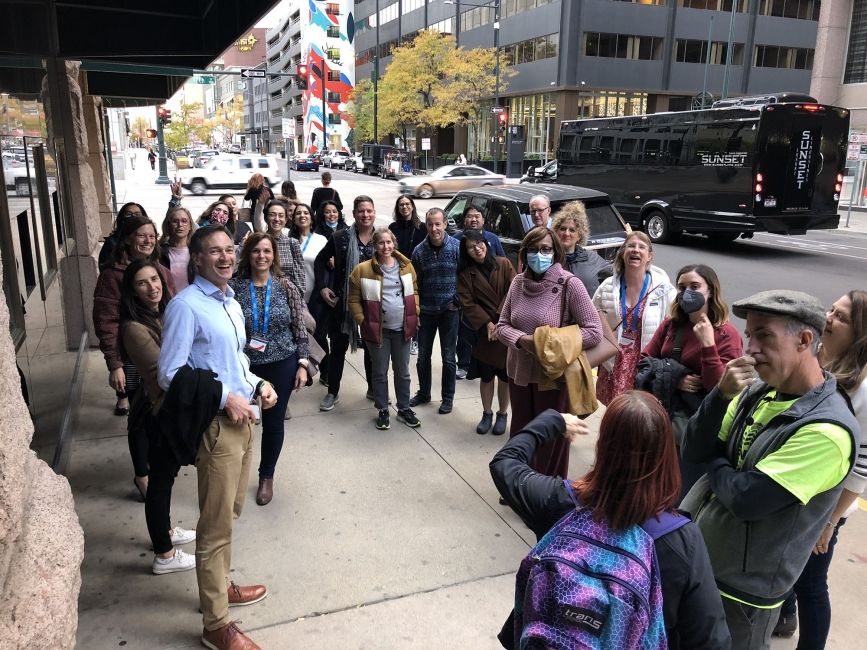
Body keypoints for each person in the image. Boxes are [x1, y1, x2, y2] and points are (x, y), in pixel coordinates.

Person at [680, 290, 858, 650]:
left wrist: (717, 458)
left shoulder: (828, 430)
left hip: (741, 594)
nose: (751, 349)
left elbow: (747, 499)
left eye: (764, 335)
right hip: (696, 562)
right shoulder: (756, 391)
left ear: (805, 340)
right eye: (750, 335)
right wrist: (719, 396)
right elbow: (693, 447)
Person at [490, 393, 730, 649]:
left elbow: (505, 463)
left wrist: (553, 421)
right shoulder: (683, 541)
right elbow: (711, 640)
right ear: (665, 456)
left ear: (602, 446)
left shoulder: (560, 502)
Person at [158, 225, 278, 650]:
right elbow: (169, 372)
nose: (226, 257)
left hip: (244, 419)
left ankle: (220, 586)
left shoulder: (230, 301)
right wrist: (227, 398)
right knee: (214, 526)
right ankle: (215, 625)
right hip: (217, 426)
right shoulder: (186, 306)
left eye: (230, 250)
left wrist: (257, 382)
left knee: (229, 515)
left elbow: (235, 358)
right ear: (197, 257)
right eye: (215, 251)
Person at [774, 290, 867, 646]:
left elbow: (860, 469)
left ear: (860, 331)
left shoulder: (863, 388)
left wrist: (829, 523)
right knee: (787, 568)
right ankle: (785, 615)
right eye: (831, 309)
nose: (828, 317)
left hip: (823, 506)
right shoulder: (817, 358)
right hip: (796, 484)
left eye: (841, 317)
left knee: (811, 582)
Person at [496, 226, 602, 478]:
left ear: (555, 252)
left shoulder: (569, 284)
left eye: (545, 249)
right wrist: (523, 340)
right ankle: (517, 479)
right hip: (520, 371)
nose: (539, 254)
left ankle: (546, 487)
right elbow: (502, 326)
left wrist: (551, 343)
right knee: (522, 430)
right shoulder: (518, 282)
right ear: (524, 253)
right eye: (533, 249)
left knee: (552, 435)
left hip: (552, 376)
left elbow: (594, 331)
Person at [119, 259, 196, 575]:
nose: (152, 287)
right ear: (132, 292)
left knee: (166, 480)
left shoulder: (164, 313)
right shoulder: (134, 328)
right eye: (142, 283)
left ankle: (163, 533)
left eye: (154, 279)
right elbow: (160, 372)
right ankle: (164, 555)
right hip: (158, 412)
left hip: (168, 409)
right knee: (159, 483)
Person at [638, 264, 743, 494]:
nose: (687, 293)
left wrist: (707, 344)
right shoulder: (671, 325)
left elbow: (720, 389)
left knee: (678, 490)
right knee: (650, 486)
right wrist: (675, 377)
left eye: (695, 287)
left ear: (711, 291)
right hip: (661, 419)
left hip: (693, 428)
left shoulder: (727, 335)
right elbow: (644, 361)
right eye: (682, 287)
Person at [93, 216, 176, 496]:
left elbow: (173, 306)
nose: (148, 241)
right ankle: (142, 474)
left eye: (152, 236)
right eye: (141, 235)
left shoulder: (160, 269)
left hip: (162, 348)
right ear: (128, 238)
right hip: (130, 355)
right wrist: (114, 364)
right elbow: (106, 321)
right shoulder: (112, 274)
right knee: (140, 414)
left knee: (159, 410)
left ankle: (158, 461)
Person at [229, 233, 310, 507]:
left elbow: (300, 328)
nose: (261, 256)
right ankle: (233, 475)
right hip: (245, 367)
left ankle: (266, 477)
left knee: (273, 424)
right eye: (256, 251)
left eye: (266, 251)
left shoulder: (286, 287)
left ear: (273, 255)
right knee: (240, 422)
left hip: (282, 364)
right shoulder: (233, 288)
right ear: (247, 255)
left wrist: (303, 363)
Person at [348, 228, 421, 430]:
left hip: (402, 329)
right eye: (381, 243)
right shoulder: (362, 270)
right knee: (379, 372)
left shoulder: (406, 266)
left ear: (394, 243)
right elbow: (353, 299)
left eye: (389, 242)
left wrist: (415, 311)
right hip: (377, 331)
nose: (386, 246)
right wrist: (363, 320)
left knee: (403, 372)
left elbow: (414, 291)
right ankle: (382, 409)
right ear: (374, 245)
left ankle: (404, 408)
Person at [592, 231, 675, 405]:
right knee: (613, 410)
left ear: (649, 256)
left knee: (638, 413)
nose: (635, 250)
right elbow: (591, 319)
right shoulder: (607, 287)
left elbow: (674, 327)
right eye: (630, 246)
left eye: (641, 247)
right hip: (613, 362)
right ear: (623, 253)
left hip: (644, 363)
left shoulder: (664, 291)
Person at [314, 195, 376, 411]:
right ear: (354, 214)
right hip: (344, 302)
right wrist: (322, 286)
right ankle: (333, 392)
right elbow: (321, 260)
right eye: (361, 211)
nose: (365, 215)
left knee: (371, 348)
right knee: (338, 348)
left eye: (369, 210)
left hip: (372, 304)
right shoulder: (340, 237)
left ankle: (373, 389)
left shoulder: (383, 238)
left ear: (374, 213)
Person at [457, 230, 515, 435]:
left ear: (486, 243)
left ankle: (502, 414)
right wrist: (488, 324)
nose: (477, 248)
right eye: (471, 247)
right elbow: (467, 302)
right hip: (484, 332)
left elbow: (513, 291)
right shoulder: (465, 274)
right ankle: (487, 413)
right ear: (467, 252)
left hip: (506, 328)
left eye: (479, 243)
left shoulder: (504, 264)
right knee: (487, 375)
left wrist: (500, 322)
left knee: (505, 377)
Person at [409, 208, 462, 415]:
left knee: (449, 358)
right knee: (423, 357)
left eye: (438, 224)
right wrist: (416, 311)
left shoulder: (457, 248)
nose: (434, 228)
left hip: (450, 311)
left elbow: (465, 278)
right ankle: (424, 393)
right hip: (427, 312)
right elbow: (414, 285)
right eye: (430, 224)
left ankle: (447, 398)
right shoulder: (419, 252)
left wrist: (459, 301)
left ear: (445, 224)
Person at [453, 205, 507, 376]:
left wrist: (500, 317)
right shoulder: (456, 240)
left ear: (483, 220)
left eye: (477, 216)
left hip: (498, 310)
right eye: (470, 216)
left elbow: (507, 276)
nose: (474, 219)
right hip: (472, 306)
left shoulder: (494, 241)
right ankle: (463, 364)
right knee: (465, 335)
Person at [551, 200, 612, 296]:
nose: (566, 233)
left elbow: (617, 274)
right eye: (562, 229)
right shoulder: (548, 258)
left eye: (572, 230)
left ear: (579, 235)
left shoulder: (591, 258)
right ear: (556, 231)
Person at [262, 199, 306, 297]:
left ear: (286, 220)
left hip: (287, 296)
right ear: (266, 218)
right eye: (272, 215)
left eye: (281, 215)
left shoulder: (292, 243)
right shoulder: (257, 242)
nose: (277, 219)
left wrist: (297, 298)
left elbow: (300, 276)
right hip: (261, 295)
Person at [289, 202, 328, 303]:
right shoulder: (287, 239)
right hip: (291, 296)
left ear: (312, 218)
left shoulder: (321, 240)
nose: (302, 215)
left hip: (315, 296)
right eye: (298, 213)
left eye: (306, 213)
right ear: (293, 219)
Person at [99, 202, 148, 272]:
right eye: (128, 214)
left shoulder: (149, 241)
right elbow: (105, 268)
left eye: (137, 214)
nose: (133, 217)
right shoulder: (112, 242)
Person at [159, 206, 195, 291]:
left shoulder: (197, 251)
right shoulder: (160, 252)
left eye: (184, 221)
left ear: (190, 226)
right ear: (169, 225)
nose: (180, 225)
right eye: (175, 221)